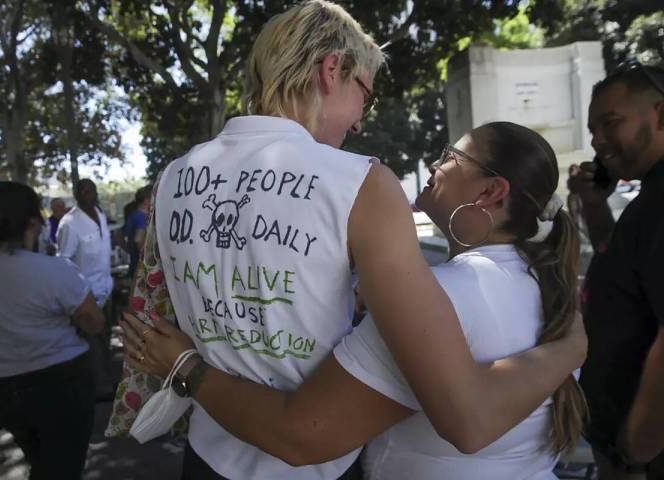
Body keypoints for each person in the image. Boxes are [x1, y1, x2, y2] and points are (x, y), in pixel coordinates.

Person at [113, 2, 585, 479]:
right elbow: (464, 411)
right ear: (332, 69)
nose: (361, 121)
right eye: (366, 95)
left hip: (206, 455)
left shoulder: (174, 177)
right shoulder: (361, 183)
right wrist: (572, 347)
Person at [0, 181, 105, 480]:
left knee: (42, 464)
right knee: (60, 469)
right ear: (33, 222)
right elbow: (95, 322)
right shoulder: (53, 272)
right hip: (60, 387)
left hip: (3, 392)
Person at [568, 62, 664, 479]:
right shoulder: (649, 199)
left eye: (610, 124)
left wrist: (635, 450)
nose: (598, 141)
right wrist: (593, 204)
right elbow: (626, 269)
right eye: (593, 130)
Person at [57, 178, 114, 399]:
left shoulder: (99, 214)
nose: (87, 193)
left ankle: (106, 380)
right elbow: (64, 261)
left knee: (105, 339)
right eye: (82, 190)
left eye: (91, 189)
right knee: (92, 343)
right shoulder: (69, 223)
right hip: (85, 294)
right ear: (76, 194)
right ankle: (98, 388)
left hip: (105, 289)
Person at [124, 185, 152, 278]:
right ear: (146, 200)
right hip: (141, 269)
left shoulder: (133, 215)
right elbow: (138, 241)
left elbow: (119, 235)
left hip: (133, 265)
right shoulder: (141, 217)